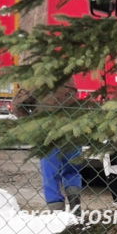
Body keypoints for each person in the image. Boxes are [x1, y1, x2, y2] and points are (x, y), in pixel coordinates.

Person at [13, 81, 83, 213]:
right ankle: (76, 209)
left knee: (50, 174)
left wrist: (30, 121)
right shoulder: (70, 77)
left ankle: (57, 213)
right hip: (72, 130)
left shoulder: (36, 79)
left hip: (47, 132)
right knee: (72, 170)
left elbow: (17, 105)